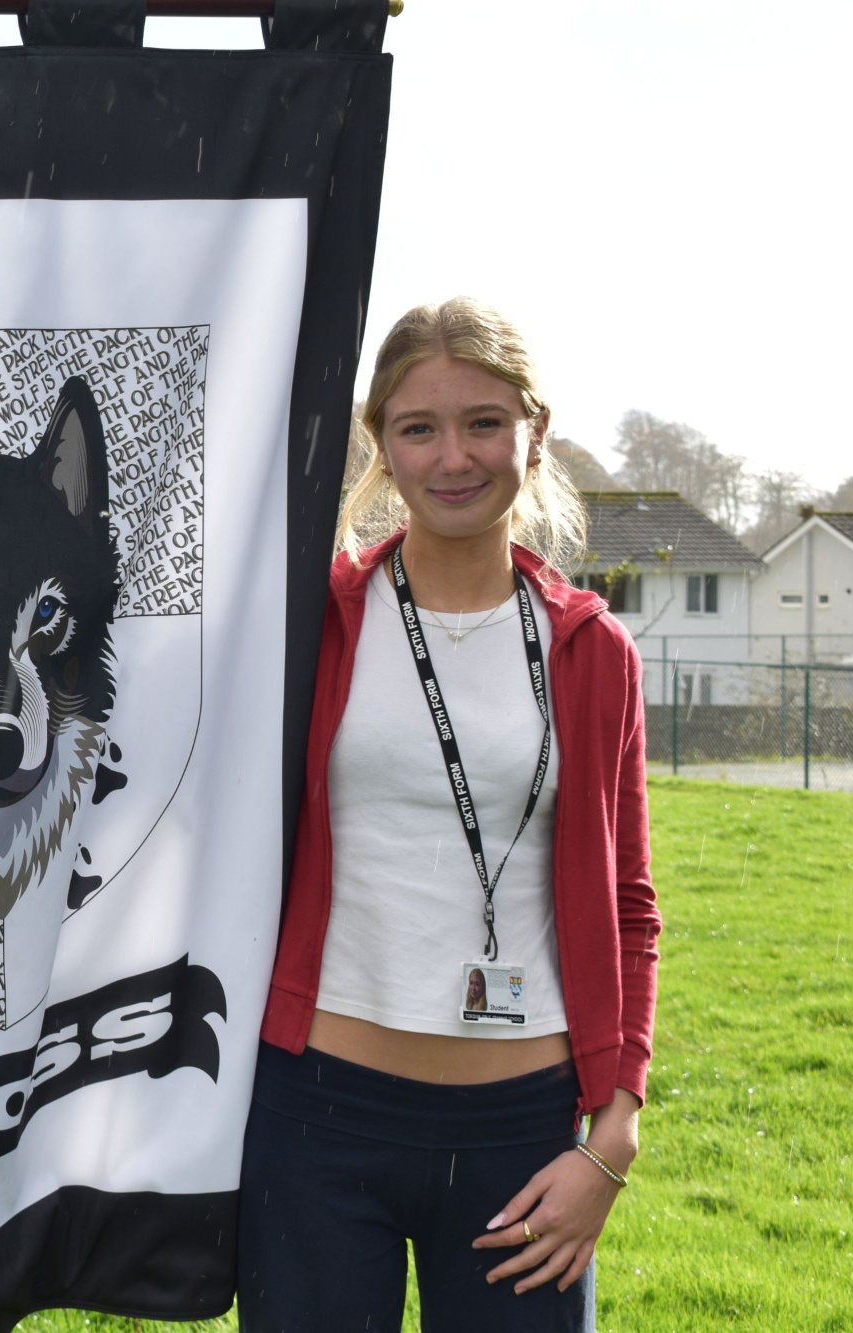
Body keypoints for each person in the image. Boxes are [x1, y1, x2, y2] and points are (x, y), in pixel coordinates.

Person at [238, 298, 659, 1332]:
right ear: (379, 445)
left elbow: (628, 903)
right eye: (418, 427)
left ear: (534, 432)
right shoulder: (310, 621)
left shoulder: (591, 650)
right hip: (316, 1114)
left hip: (522, 1130)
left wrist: (611, 1139)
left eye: (482, 422)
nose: (452, 457)